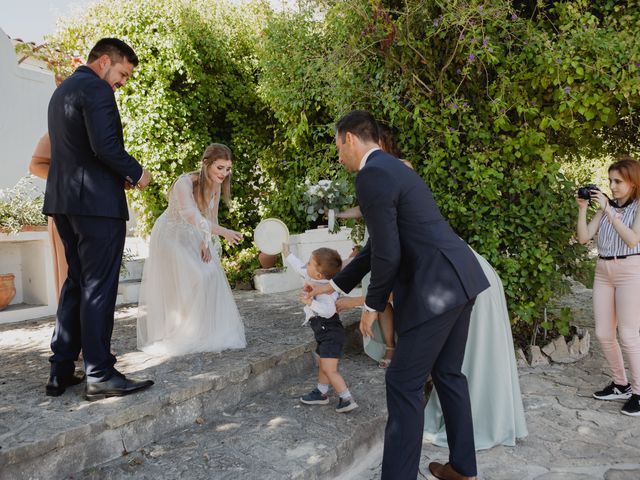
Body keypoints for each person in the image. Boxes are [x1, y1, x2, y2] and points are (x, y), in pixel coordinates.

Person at [308, 110, 489, 480]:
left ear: (350, 139)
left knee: (402, 381)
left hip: (435, 287)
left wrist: (372, 306)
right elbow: (379, 246)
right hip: (460, 277)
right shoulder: (395, 169)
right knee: (448, 373)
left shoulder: (371, 176)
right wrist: (336, 284)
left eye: (337, 146)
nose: (338, 155)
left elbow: (389, 253)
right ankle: (462, 469)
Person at [44, 38, 154, 401]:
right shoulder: (97, 88)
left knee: (76, 282)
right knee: (98, 287)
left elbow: (81, 152)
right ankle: (100, 373)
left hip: (64, 202)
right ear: (104, 60)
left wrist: (115, 174)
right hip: (96, 207)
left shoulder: (63, 93)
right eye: (121, 73)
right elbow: (105, 146)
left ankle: (61, 370)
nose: (121, 82)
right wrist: (136, 173)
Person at [137, 143, 246, 356]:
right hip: (169, 235)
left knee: (210, 272)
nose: (224, 173)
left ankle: (198, 329)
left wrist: (206, 243)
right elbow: (190, 215)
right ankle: (177, 330)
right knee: (193, 275)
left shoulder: (215, 185)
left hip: (192, 233)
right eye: (220, 168)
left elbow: (210, 217)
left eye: (228, 168)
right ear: (206, 164)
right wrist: (224, 232)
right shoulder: (184, 182)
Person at [424, 248, 528, 449]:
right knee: (479, 349)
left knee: (472, 353)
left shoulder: (397, 227)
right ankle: (491, 419)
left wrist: (365, 304)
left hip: (462, 280)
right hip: (470, 270)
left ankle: (479, 422)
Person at [576, 156, 640, 417]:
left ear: (633, 183)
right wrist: (583, 208)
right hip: (603, 270)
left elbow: (633, 240)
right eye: (610, 181)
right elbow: (583, 238)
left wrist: (610, 211)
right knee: (603, 333)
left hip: (630, 271)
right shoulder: (605, 209)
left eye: (618, 181)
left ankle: (639, 390)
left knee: (628, 334)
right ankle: (621, 384)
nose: (612, 187)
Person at [283, 243, 358, 413]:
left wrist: (310, 302)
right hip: (325, 332)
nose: (305, 265)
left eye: (309, 263)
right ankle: (321, 393)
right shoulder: (316, 278)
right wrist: (288, 255)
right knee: (323, 363)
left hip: (329, 331)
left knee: (330, 369)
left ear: (318, 273)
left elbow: (329, 310)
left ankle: (346, 398)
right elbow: (299, 268)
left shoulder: (325, 290)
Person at [29, 133, 67, 299]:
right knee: (66, 273)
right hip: (65, 208)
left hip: (96, 212)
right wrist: (73, 181)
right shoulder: (54, 133)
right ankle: (69, 323)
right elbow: (35, 165)